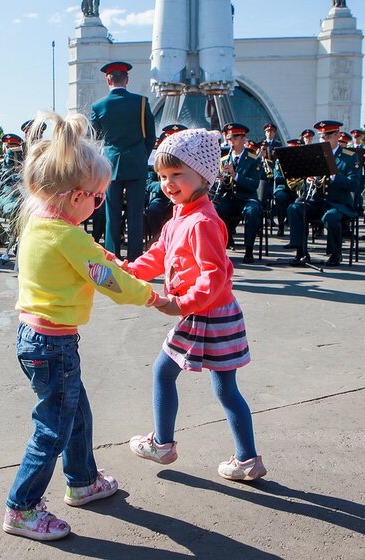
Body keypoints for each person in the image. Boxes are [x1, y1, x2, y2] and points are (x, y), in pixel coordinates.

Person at [3, 112, 166, 541]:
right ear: (75, 195)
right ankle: (21, 508)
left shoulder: (44, 222)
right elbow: (104, 277)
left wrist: (116, 262)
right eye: (96, 198)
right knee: (53, 427)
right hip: (52, 343)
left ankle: (82, 480)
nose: (97, 205)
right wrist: (153, 297)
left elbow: (94, 255)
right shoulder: (67, 235)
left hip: (38, 338)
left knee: (75, 413)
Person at [125, 128, 265, 483]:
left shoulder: (202, 221)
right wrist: (127, 270)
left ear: (203, 175)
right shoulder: (181, 215)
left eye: (176, 175)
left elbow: (214, 276)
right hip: (212, 313)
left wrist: (180, 304)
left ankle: (162, 443)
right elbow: (160, 255)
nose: (168, 184)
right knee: (224, 387)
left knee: (164, 372)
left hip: (204, 313)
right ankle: (247, 460)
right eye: (162, 177)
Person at [90, 61, 156, 261]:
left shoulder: (98, 106)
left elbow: (95, 137)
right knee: (136, 213)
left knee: (112, 213)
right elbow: (151, 137)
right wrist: (141, 155)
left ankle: (113, 256)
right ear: (126, 79)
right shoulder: (142, 102)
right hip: (136, 161)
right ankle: (136, 259)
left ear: (107, 80)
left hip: (110, 164)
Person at [286, 120, 361, 267]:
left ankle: (335, 254)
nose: (324, 139)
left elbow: (354, 184)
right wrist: (308, 180)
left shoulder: (349, 157)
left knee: (331, 217)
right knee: (294, 208)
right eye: (322, 137)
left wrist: (334, 175)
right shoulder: (315, 155)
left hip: (338, 204)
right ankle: (301, 251)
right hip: (318, 201)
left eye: (328, 136)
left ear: (338, 135)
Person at [213, 123, 262, 262]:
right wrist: (220, 181)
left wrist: (235, 175)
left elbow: (253, 185)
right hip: (230, 198)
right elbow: (224, 187)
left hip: (246, 198)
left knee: (252, 212)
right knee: (214, 210)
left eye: (234, 138)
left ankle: (249, 250)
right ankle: (219, 248)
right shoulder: (224, 159)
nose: (231, 142)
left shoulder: (254, 159)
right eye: (229, 139)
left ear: (243, 139)